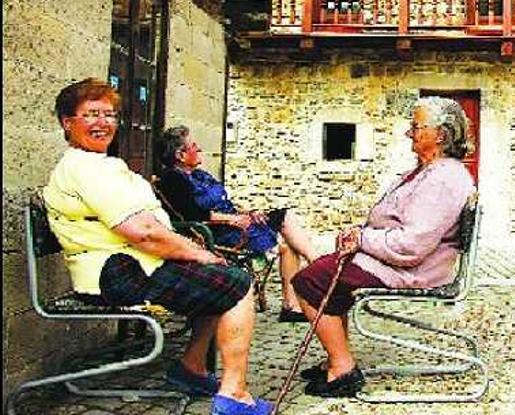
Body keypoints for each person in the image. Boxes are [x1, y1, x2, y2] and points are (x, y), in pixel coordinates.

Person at [42, 78, 272, 415]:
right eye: (91, 114)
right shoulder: (84, 167)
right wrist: (198, 252)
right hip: (117, 273)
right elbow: (143, 232)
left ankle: (192, 368)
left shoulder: (101, 164)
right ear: (68, 123)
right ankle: (234, 395)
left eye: (109, 114)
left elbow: (147, 228)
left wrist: (192, 250)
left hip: (129, 265)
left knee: (218, 277)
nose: (103, 122)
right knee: (238, 284)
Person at [291, 96, 476, 398]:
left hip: (413, 269)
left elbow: (411, 245)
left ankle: (343, 369)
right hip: (399, 261)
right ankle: (335, 356)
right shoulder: (428, 171)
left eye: (416, 127)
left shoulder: (443, 178)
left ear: (440, 136)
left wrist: (363, 239)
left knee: (310, 280)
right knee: (326, 270)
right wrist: (360, 235)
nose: (409, 133)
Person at [156, 125, 319, 323]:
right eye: (194, 146)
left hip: (234, 223)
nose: (199, 150)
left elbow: (226, 203)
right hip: (220, 232)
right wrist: (233, 219)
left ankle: (304, 284)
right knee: (285, 245)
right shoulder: (174, 179)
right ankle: (310, 280)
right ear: (180, 155)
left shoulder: (199, 175)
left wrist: (248, 213)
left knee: (285, 217)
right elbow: (194, 214)